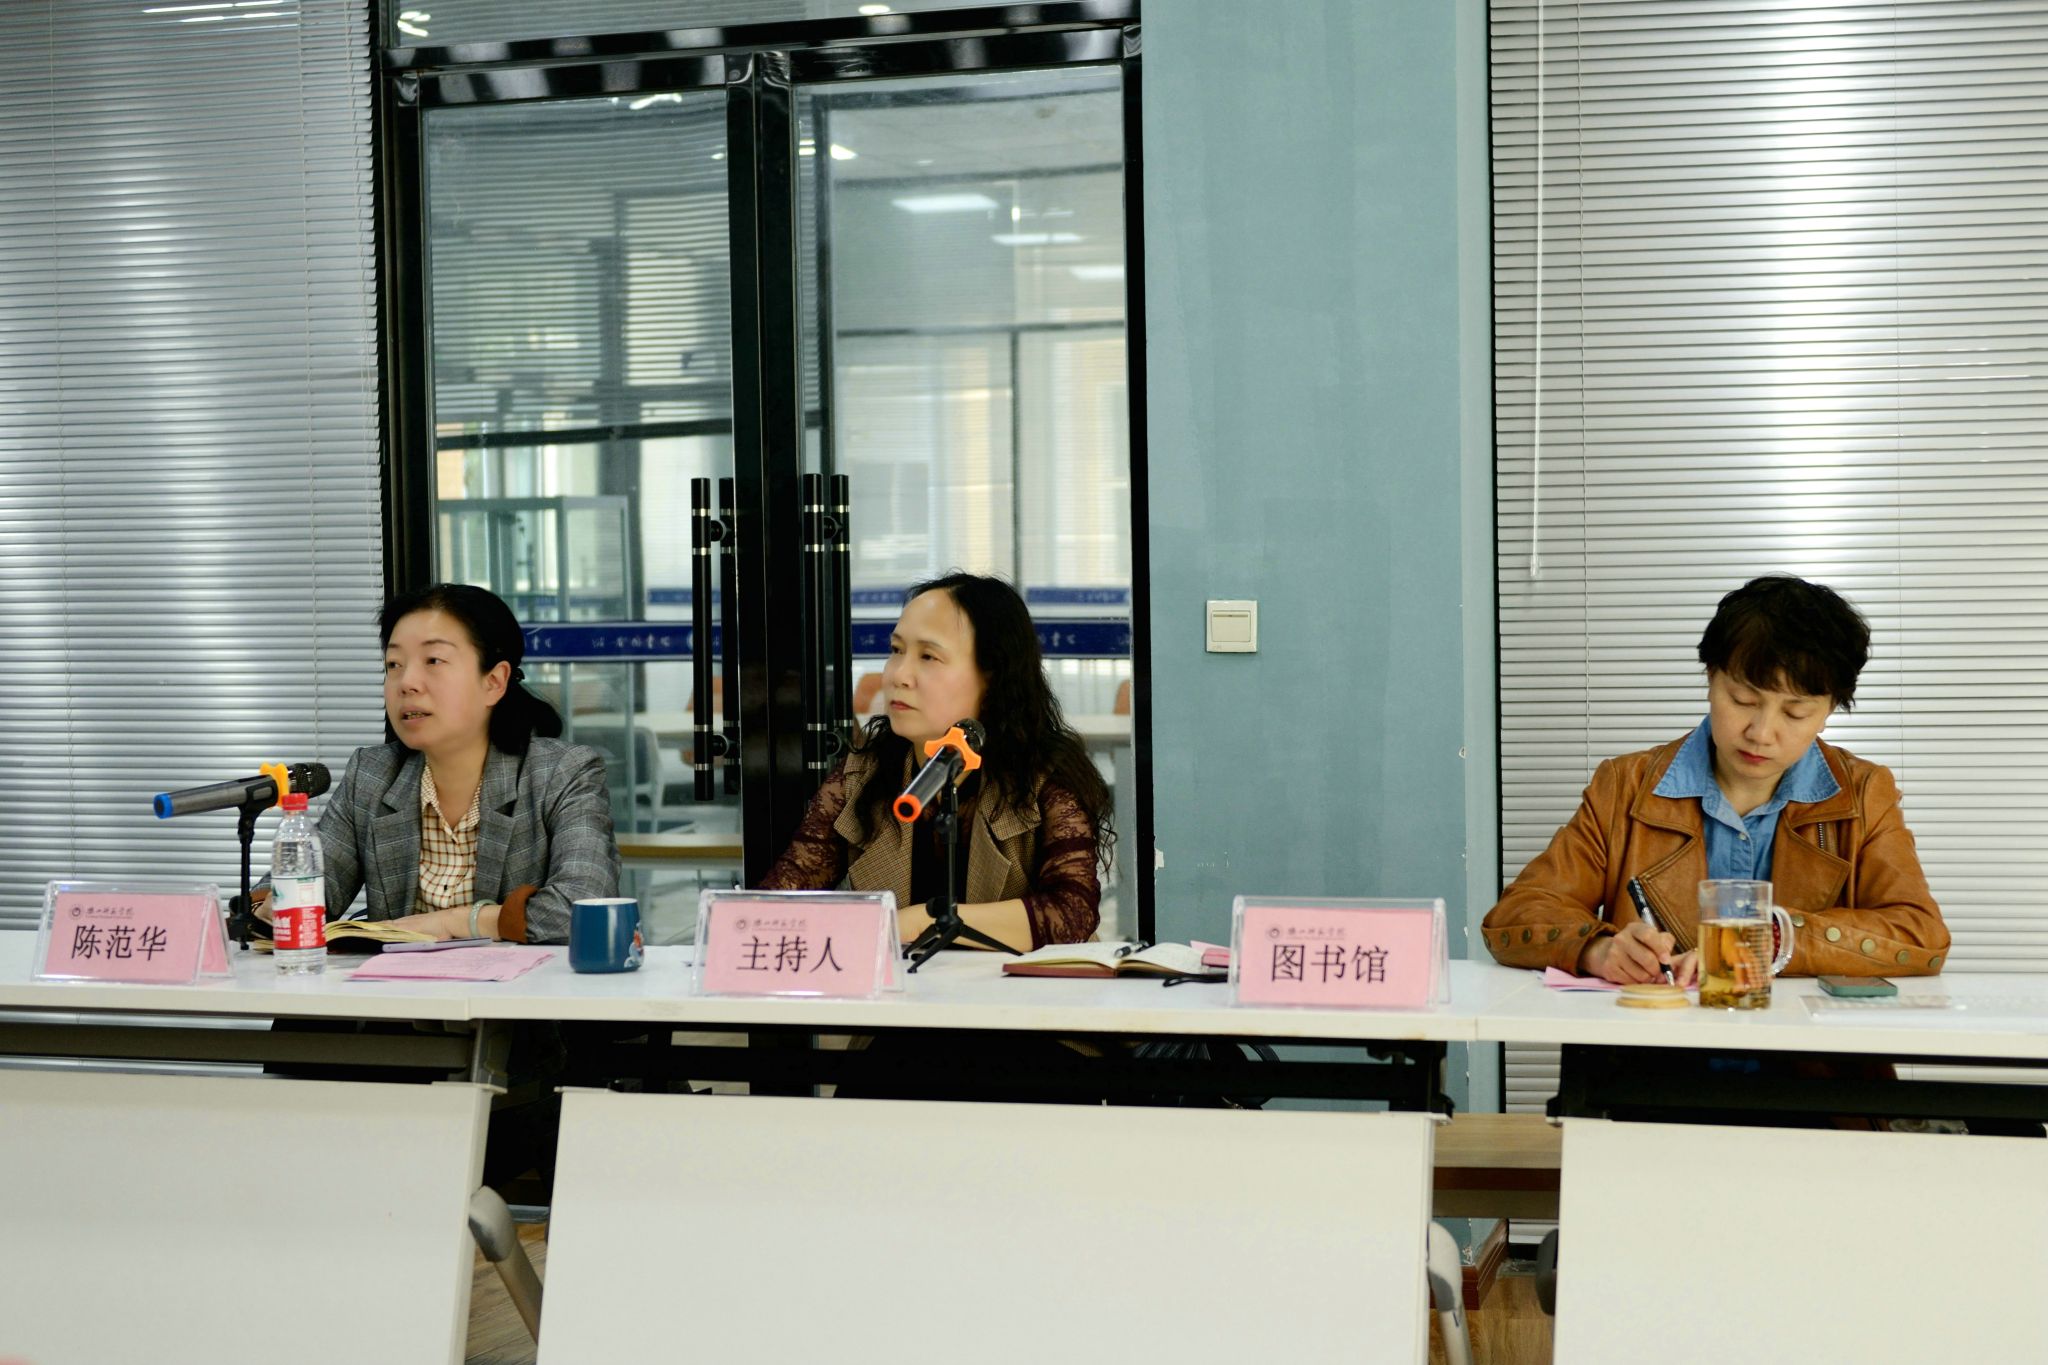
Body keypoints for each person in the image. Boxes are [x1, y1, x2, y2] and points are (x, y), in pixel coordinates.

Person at [1484, 575, 1947, 985]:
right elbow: (1517, 915)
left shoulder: (1863, 794)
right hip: (1654, 1050)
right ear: (1711, 678)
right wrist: (1596, 949)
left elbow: (1920, 936)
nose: (1761, 733)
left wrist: (1773, 937)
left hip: (1804, 1054)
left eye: (1795, 712)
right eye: (1743, 700)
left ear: (1828, 712)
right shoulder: (1625, 786)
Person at [762, 572, 1112, 951]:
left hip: (1013, 988)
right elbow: (782, 898)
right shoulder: (863, 773)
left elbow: (1071, 914)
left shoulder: (1043, 775)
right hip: (905, 987)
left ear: (993, 675)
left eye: (928, 656)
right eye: (896, 650)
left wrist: (927, 920)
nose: (899, 675)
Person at [264, 583, 620, 943]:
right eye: (393, 664)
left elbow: (587, 906)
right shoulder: (372, 775)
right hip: (397, 981)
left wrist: (455, 923)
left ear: (494, 682)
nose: (407, 683)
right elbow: (302, 888)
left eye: (433, 661)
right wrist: (268, 906)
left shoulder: (560, 774)